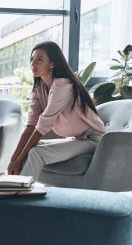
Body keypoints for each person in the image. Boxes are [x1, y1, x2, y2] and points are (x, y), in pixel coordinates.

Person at [7, 41, 105, 181]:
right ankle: (16, 187)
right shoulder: (39, 88)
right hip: (76, 139)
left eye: (39, 59)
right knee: (28, 149)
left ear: (52, 63)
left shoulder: (63, 85)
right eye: (32, 59)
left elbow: (43, 125)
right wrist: (12, 161)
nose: (33, 63)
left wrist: (19, 160)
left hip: (93, 140)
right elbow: (31, 125)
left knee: (35, 152)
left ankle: (19, 195)